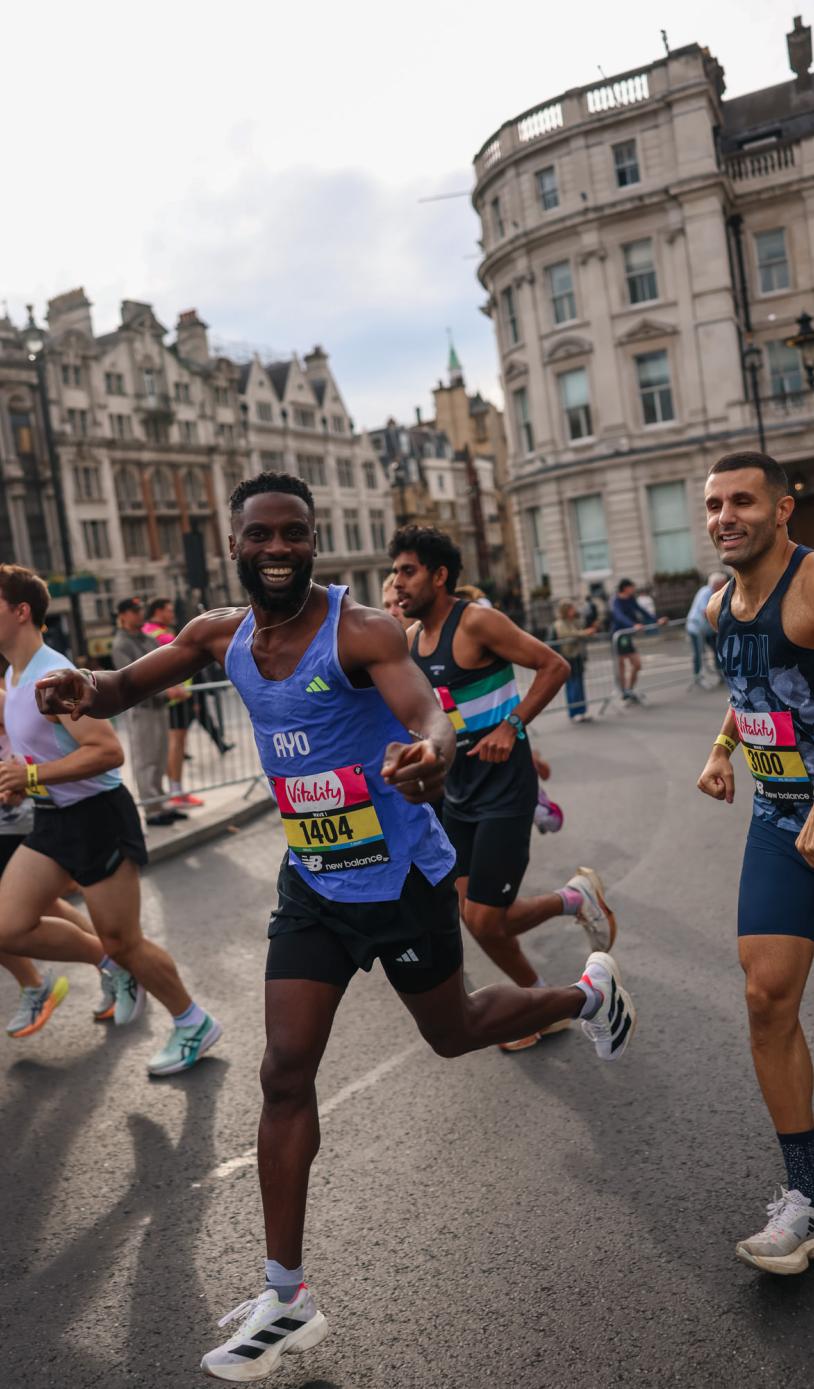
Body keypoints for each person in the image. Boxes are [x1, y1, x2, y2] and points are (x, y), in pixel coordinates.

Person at [36, 471, 637, 1378]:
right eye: (261, 535)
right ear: (234, 543)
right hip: (314, 884)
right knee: (285, 1069)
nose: (278, 548)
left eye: (295, 534)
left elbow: (427, 712)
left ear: (313, 542)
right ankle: (288, 1294)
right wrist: (74, 686)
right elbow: (121, 684)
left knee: (456, 1030)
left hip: (401, 880)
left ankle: (586, 992)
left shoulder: (361, 629)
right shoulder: (219, 636)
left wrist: (428, 758)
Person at [390, 524, 621, 1052]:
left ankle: (545, 996)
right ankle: (550, 972)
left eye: (408, 571)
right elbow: (432, 716)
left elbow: (553, 666)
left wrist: (512, 728)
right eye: (395, 572)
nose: (397, 583)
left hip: (503, 789)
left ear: (439, 575)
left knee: (486, 919)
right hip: (454, 792)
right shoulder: (408, 642)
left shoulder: (476, 622)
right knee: (475, 919)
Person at [0, 564, 221, 1076]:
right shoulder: (12, 678)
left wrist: (29, 778)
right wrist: (21, 778)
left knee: (127, 941)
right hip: (54, 818)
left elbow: (107, 751)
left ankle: (192, 1021)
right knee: (7, 925)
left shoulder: (53, 677)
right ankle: (112, 966)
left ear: (20, 610)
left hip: (98, 816)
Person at [697, 450, 814, 1275]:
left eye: (742, 500)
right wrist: (721, 749)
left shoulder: (810, 589)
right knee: (766, 997)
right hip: (780, 819)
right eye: (713, 505)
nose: (724, 516)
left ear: (783, 510)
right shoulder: (715, 605)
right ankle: (805, 1196)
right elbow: (756, 691)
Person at [111, 597, 189, 826]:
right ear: (123, 615)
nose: (139, 614)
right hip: (141, 709)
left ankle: (161, 801)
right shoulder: (120, 644)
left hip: (158, 707)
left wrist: (172, 685)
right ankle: (151, 809)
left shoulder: (147, 639)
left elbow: (162, 667)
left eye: (139, 610)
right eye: (134, 611)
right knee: (146, 759)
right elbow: (131, 680)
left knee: (159, 755)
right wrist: (167, 692)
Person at [142, 597, 203, 809]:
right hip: (174, 697)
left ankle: (175, 789)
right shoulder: (158, 634)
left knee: (174, 744)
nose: (172, 614)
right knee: (176, 744)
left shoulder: (149, 631)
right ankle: (176, 791)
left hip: (176, 696)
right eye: (168, 610)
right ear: (158, 611)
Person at [609, 578, 668, 703]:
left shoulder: (631, 599)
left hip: (627, 635)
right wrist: (632, 625)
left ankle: (629, 689)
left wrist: (656, 620)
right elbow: (619, 616)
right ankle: (623, 691)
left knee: (637, 664)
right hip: (618, 636)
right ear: (625, 588)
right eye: (632, 587)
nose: (634, 589)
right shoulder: (616, 601)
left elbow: (642, 611)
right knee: (621, 665)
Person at [553, 600, 596, 722]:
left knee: (579, 684)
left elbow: (581, 626)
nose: (574, 611)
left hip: (577, 656)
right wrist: (584, 633)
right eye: (572, 609)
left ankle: (582, 710)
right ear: (566, 610)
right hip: (568, 656)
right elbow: (567, 635)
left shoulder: (573, 621)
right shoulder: (560, 623)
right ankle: (574, 711)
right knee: (573, 685)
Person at [685, 572, 727, 685]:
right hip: (696, 627)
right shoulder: (705, 592)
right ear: (717, 583)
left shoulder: (717, 592)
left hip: (709, 628)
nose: (725, 585)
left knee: (717, 648)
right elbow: (706, 611)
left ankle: (721, 673)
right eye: (723, 583)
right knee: (698, 653)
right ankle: (697, 676)